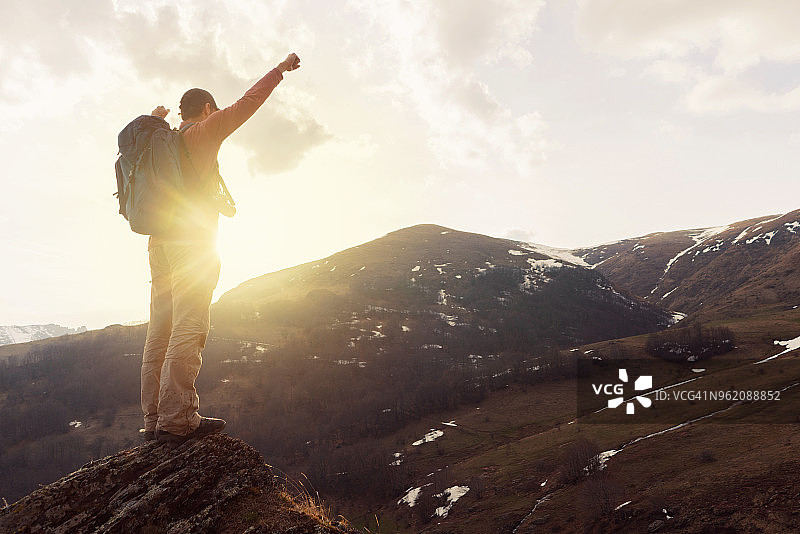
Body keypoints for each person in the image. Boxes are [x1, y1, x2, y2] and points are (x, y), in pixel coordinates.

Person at [141, 53, 301, 444]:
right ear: (207, 108)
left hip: (157, 245)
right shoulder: (203, 131)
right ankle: (178, 420)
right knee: (189, 326)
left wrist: (154, 120)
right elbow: (248, 103)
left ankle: (153, 419)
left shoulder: (161, 141)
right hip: (191, 244)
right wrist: (278, 71)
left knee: (158, 332)